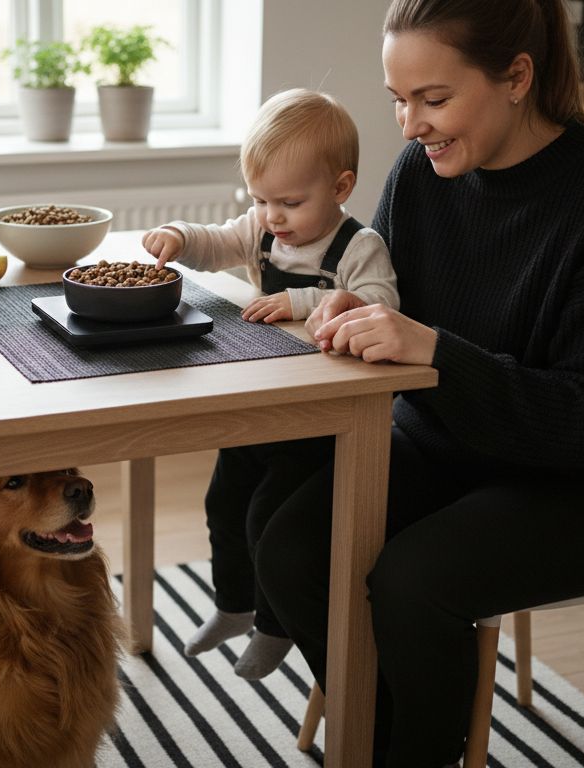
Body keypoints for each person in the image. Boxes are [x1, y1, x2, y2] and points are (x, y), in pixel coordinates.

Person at [246, 0, 584, 765]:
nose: (410, 125)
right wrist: (359, 308)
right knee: (287, 545)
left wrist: (432, 348)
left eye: (434, 98)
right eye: (398, 100)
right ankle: (379, 735)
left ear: (517, 76)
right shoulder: (425, 177)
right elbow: (388, 296)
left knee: (413, 580)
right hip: (451, 445)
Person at [142, 88, 400, 679]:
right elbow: (217, 242)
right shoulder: (262, 227)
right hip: (261, 398)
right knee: (223, 503)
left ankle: (275, 625)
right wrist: (179, 237)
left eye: (288, 201)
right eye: (261, 200)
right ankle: (234, 605)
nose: (273, 217)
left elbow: (380, 302)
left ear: (340, 187)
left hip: (319, 418)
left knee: (266, 517)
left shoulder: (359, 247)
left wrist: (304, 300)